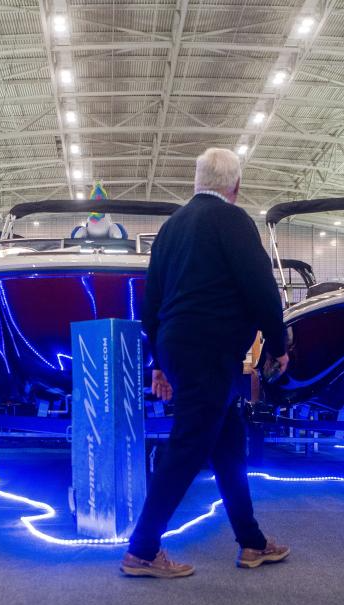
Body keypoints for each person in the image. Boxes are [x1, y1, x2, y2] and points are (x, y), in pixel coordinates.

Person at [120, 148, 291, 578]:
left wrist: (159, 362)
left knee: (229, 444)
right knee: (187, 446)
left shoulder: (171, 227)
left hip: (179, 345)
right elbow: (261, 287)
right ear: (236, 186)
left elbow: (151, 300)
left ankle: (252, 542)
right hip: (211, 350)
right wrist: (278, 342)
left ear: (197, 181)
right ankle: (142, 550)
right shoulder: (233, 221)